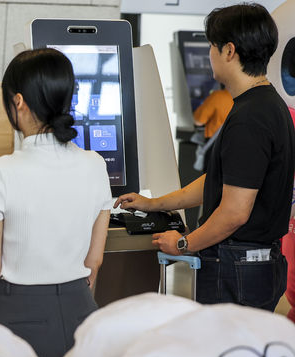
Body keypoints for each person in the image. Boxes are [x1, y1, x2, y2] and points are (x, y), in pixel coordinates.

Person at [115, 3, 295, 311]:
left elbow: (235, 212)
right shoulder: (270, 106)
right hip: (256, 265)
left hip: (236, 267)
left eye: (211, 45)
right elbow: (221, 181)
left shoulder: (251, 116)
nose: (209, 53)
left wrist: (183, 243)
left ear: (228, 50)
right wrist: (154, 204)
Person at [0, 48, 111, 357]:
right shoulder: (95, 165)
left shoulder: (0, 171)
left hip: (18, 317)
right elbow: (95, 260)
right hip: (82, 313)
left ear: (18, 101)